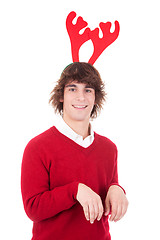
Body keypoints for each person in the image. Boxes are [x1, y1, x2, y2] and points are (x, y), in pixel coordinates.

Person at [21, 62, 128, 240]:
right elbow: (33, 208)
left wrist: (116, 188)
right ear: (61, 96)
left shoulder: (109, 149)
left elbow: (107, 186)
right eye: (72, 89)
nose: (81, 97)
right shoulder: (37, 147)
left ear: (95, 97)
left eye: (88, 90)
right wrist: (74, 191)